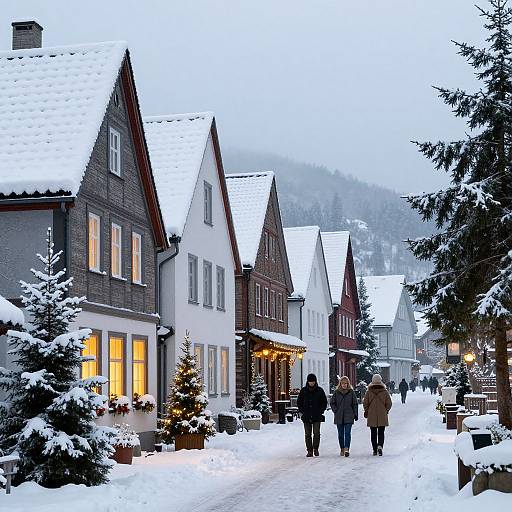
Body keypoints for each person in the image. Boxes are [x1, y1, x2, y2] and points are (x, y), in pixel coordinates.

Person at [297, 373, 327, 457]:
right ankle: (309, 450)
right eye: (310, 381)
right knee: (307, 434)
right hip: (306, 415)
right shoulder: (303, 391)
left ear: (315, 381)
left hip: (317, 415)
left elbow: (324, 402)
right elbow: (299, 402)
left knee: (316, 433)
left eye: (313, 381)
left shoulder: (320, 390)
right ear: (308, 382)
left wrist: (321, 411)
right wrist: (302, 411)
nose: (311, 383)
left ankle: (316, 448)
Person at [363, 374, 392, 456]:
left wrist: (367, 410)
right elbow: (389, 403)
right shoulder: (385, 392)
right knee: (381, 432)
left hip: (372, 415)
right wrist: (386, 410)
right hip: (382, 414)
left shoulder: (368, 392)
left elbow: (365, 403)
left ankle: (375, 449)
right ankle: (380, 446)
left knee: (373, 433)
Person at [330, 376, 358, 457]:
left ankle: (346, 449)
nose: (344, 385)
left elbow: (355, 404)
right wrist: (335, 410)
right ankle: (342, 448)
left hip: (349, 415)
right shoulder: (336, 392)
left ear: (348, 384)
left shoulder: (351, 392)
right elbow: (332, 403)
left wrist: (355, 414)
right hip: (339, 416)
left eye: (346, 383)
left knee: (347, 433)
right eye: (343, 383)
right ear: (340, 384)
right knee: (340, 434)